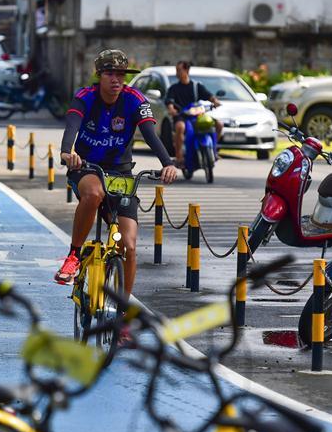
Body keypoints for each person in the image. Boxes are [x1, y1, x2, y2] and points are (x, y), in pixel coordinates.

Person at [55, 50, 178, 335]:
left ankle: (121, 316)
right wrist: (67, 152)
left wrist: (168, 164)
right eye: (111, 74)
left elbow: (150, 134)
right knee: (94, 194)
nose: (117, 80)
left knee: (129, 246)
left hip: (121, 174)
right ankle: (74, 255)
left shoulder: (135, 101)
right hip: (87, 168)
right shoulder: (85, 96)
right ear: (100, 76)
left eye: (121, 75)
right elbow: (71, 126)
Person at [165, 61, 223, 167]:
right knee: (180, 127)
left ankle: (214, 150)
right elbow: (169, 101)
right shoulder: (174, 88)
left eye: (179, 70)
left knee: (219, 124)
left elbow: (209, 95)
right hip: (182, 117)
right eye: (176, 70)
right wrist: (171, 109)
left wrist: (215, 101)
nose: (177, 73)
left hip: (197, 116)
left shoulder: (196, 86)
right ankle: (179, 157)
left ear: (187, 70)